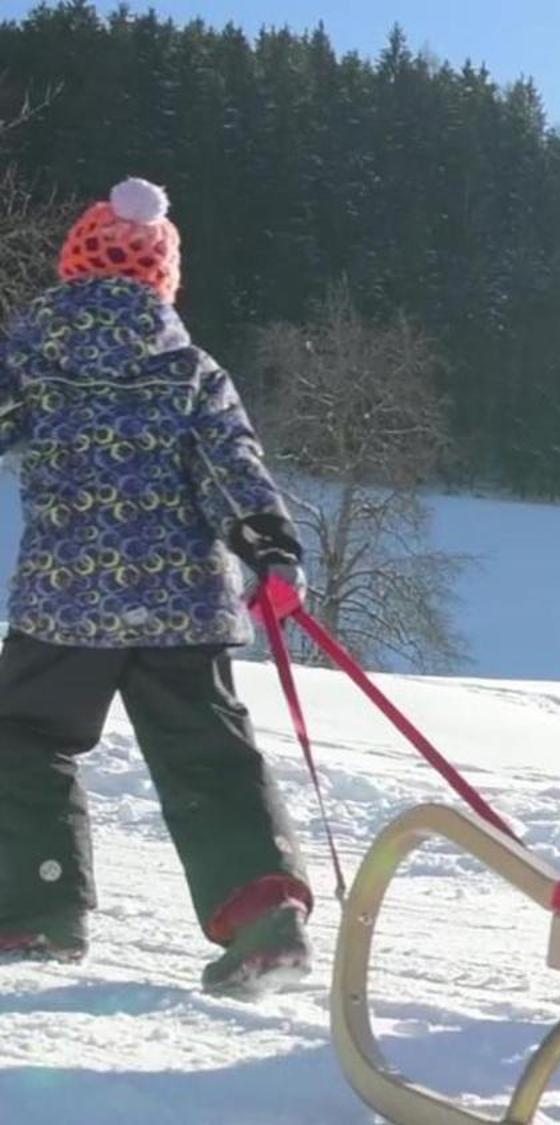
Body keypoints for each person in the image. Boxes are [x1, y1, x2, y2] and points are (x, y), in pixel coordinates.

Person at [0, 178, 313, 995]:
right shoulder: (188, 367)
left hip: (66, 600)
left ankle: (38, 912)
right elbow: (232, 470)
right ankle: (264, 923)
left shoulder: (31, 350)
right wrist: (270, 551)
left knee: (25, 738)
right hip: (182, 605)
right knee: (208, 754)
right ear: (162, 277)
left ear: (77, 262)